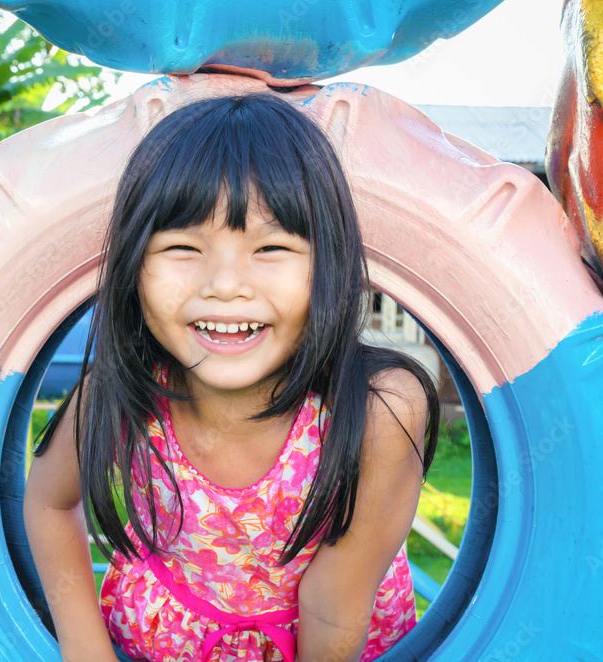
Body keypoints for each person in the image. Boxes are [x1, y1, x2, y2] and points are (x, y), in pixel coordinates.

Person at [23, 91, 440, 662]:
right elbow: (48, 503)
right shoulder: (124, 389)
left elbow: (332, 603)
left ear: (330, 263)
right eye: (181, 247)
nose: (224, 284)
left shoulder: (377, 409)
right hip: (164, 643)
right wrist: (84, 649)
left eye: (270, 246)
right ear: (133, 267)